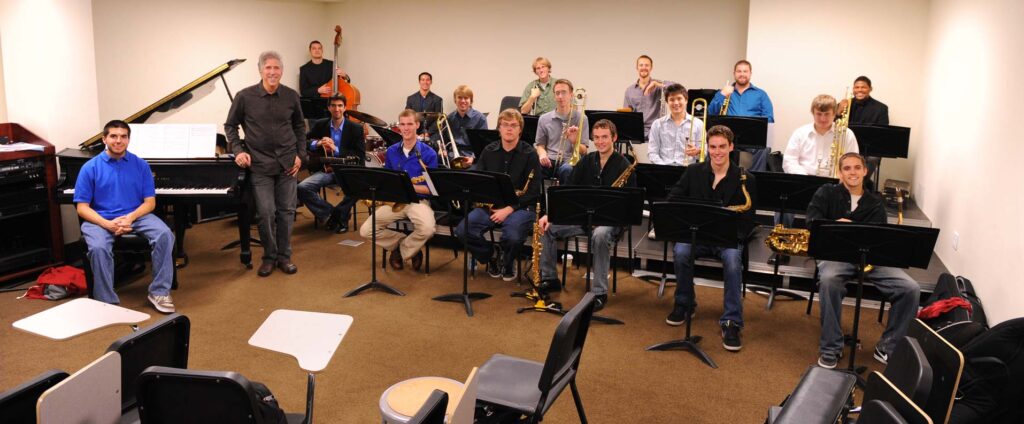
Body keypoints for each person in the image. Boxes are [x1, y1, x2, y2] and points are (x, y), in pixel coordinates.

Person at [807, 152, 919, 369]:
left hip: (870, 259)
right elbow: (812, 221)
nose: (852, 172)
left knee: (911, 288)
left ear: (865, 171)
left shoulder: (875, 203)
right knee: (829, 280)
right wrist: (832, 224)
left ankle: (888, 346)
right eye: (847, 168)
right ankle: (831, 347)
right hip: (835, 255)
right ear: (840, 172)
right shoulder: (826, 193)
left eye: (857, 168)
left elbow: (880, 238)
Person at [665, 125, 757, 352]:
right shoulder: (694, 172)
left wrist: (732, 234)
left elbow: (749, 219)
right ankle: (685, 303)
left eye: (722, 147)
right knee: (681, 252)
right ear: (708, 147)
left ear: (731, 147)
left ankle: (732, 321)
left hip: (727, 239)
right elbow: (673, 198)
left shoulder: (746, 178)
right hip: (697, 234)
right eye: (713, 147)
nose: (717, 152)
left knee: (734, 261)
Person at [74, 120, 176, 313]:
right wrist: (107, 224)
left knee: (165, 234)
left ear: (128, 140)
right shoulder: (89, 167)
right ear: (104, 139)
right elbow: (82, 208)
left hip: (136, 215)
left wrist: (130, 218)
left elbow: (150, 203)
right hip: (100, 218)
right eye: (113, 136)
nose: (118, 140)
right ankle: (106, 301)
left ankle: (159, 291)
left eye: (123, 136)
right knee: (98, 248)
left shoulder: (141, 165)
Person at [536, 119, 635, 312]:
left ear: (614, 138)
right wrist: (550, 214)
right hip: (583, 218)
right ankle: (550, 278)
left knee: (599, 235)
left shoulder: (625, 165)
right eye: (596, 138)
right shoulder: (587, 161)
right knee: (548, 228)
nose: (600, 142)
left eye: (605, 137)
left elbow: (628, 206)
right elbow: (567, 191)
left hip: (609, 222)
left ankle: (598, 292)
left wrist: (604, 220)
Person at [225, 51, 306, 277]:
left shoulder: (291, 96)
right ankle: (269, 256)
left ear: (282, 71)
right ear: (260, 70)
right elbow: (230, 126)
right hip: (260, 164)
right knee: (266, 213)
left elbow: (300, 127)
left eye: (276, 68)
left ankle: (284, 256)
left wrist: (301, 154)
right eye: (268, 68)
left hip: (288, 164)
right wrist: (239, 151)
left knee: (287, 212)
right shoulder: (244, 97)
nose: (272, 72)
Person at [455, 108, 542, 281]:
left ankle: (508, 262)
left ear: (520, 129)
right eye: (505, 125)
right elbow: (479, 183)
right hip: (491, 206)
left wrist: (509, 209)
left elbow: (533, 192)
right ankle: (491, 256)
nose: (509, 129)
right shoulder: (488, 151)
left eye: (513, 125)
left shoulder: (530, 154)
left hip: (520, 207)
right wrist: (491, 204)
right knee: (462, 230)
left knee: (513, 236)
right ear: (499, 128)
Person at [359, 109, 438, 271]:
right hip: (396, 200)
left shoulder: (429, 153)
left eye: (410, 124)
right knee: (365, 230)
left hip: (418, 201)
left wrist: (409, 185)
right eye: (403, 124)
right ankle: (407, 247)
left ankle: (400, 251)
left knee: (428, 229)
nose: (406, 128)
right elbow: (388, 179)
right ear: (398, 127)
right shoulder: (392, 151)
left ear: (417, 125)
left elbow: (431, 189)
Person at [297, 94, 364, 233]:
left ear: (345, 107)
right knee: (302, 187)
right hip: (326, 170)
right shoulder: (320, 124)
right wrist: (317, 143)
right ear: (328, 107)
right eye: (333, 105)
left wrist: (337, 149)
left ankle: (338, 216)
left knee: (359, 187)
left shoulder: (355, 128)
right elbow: (303, 141)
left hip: (347, 171)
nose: (336, 109)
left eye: (340, 105)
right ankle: (333, 214)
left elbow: (359, 156)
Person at [708, 60, 774, 171]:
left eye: (745, 71)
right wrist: (722, 94)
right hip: (727, 137)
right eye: (739, 71)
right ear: (734, 73)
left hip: (752, 138)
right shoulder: (724, 91)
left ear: (750, 74)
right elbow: (711, 112)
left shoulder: (761, 94)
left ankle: (754, 180)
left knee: (763, 149)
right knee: (712, 147)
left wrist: (752, 124)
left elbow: (769, 118)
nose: (742, 74)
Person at [782, 94, 859, 177]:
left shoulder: (846, 134)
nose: (823, 119)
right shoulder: (800, 133)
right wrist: (804, 177)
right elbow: (789, 161)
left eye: (827, 114)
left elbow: (854, 162)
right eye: (819, 114)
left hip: (835, 182)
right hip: (804, 179)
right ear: (813, 113)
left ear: (834, 113)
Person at [535, 78, 589, 184]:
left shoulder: (582, 118)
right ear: (554, 96)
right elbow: (539, 145)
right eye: (557, 93)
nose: (560, 96)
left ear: (571, 95)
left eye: (564, 92)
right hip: (550, 159)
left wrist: (574, 141)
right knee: (534, 167)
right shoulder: (544, 119)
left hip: (569, 160)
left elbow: (584, 151)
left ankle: (563, 199)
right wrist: (542, 155)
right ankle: (540, 200)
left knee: (567, 170)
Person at [648, 83, 704, 166]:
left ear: (686, 100)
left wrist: (698, 151)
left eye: (679, 98)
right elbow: (652, 153)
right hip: (663, 169)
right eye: (672, 100)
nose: (676, 103)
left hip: (688, 170)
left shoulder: (698, 123)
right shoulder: (657, 124)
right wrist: (663, 168)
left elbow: (705, 151)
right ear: (667, 102)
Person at [623, 55, 675, 138]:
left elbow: (678, 88)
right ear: (637, 67)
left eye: (647, 65)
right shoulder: (629, 90)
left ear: (651, 68)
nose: (644, 67)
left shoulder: (658, 85)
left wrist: (657, 84)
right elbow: (626, 115)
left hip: (656, 131)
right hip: (636, 132)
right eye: (641, 65)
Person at [443, 84, 488, 160]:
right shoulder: (449, 118)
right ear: (455, 100)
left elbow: (483, 145)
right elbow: (445, 141)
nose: (463, 101)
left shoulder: (480, 118)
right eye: (459, 98)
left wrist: (472, 158)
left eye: (466, 98)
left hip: (472, 157)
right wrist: (443, 149)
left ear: (471, 100)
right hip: (452, 156)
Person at [405, 72, 443, 140]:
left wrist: (427, 133)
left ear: (431, 82)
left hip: (431, 133)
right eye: (422, 80)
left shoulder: (437, 99)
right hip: (414, 132)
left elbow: (439, 119)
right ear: (419, 82)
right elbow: (407, 117)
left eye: (427, 80)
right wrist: (413, 133)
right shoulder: (411, 99)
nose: (425, 82)